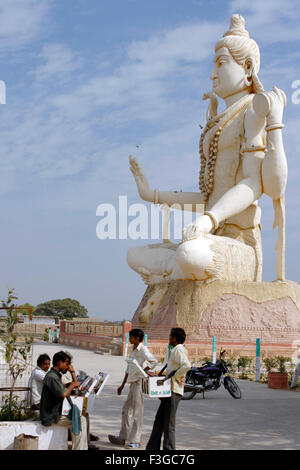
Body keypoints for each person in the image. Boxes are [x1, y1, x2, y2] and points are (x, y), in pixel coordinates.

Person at [108, 328, 158, 449]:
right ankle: (123, 436)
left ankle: (136, 440)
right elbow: (129, 368)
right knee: (126, 410)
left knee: (137, 412)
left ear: (137, 338)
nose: (129, 339)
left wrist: (143, 371)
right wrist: (122, 384)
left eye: (131, 337)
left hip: (139, 383)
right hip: (132, 383)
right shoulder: (133, 349)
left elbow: (154, 361)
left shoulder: (143, 350)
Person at [146, 328, 191, 450]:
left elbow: (187, 365)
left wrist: (176, 376)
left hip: (174, 391)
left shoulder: (179, 349)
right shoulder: (174, 350)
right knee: (159, 421)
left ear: (175, 338)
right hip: (169, 391)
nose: (169, 338)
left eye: (170, 336)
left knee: (169, 425)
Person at [40, 350, 88, 450]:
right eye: (67, 363)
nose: (68, 366)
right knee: (80, 420)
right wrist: (72, 384)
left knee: (79, 418)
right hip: (51, 416)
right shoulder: (52, 377)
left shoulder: (57, 375)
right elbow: (63, 394)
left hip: (56, 413)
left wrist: (72, 373)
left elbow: (75, 384)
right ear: (59, 362)